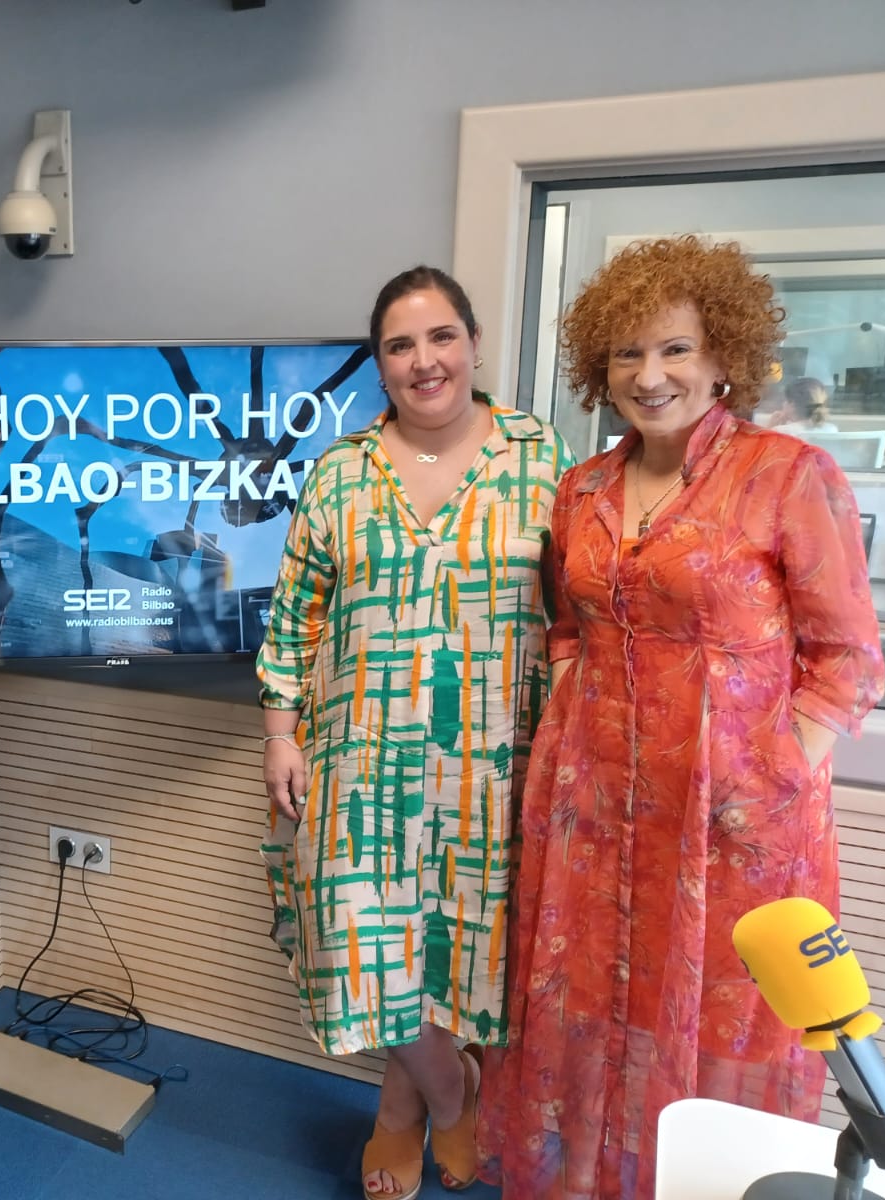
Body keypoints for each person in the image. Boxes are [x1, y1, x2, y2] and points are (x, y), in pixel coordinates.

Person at [478, 236, 885, 1200]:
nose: (649, 375)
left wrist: (773, 777)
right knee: (590, 1011)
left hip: (733, 820)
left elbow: (847, 659)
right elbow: (569, 629)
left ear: (721, 357)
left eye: (673, 349)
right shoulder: (580, 489)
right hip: (596, 810)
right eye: (626, 354)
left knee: (713, 1028)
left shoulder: (789, 475)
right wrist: (564, 754)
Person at [258, 266, 572, 1200]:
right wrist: (280, 733)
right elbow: (295, 617)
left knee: (455, 954)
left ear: (473, 344)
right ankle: (449, 1091)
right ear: (381, 365)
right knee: (356, 943)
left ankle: (395, 1113)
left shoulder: (540, 457)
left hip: (494, 761)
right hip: (355, 759)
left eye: (440, 337)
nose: (423, 360)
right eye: (400, 345)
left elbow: (576, 612)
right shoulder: (341, 472)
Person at [774, 376, 839, 433]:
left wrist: (771, 426)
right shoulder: (832, 429)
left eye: (785, 400)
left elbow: (766, 445)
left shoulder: (781, 431)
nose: (783, 404)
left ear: (792, 405)